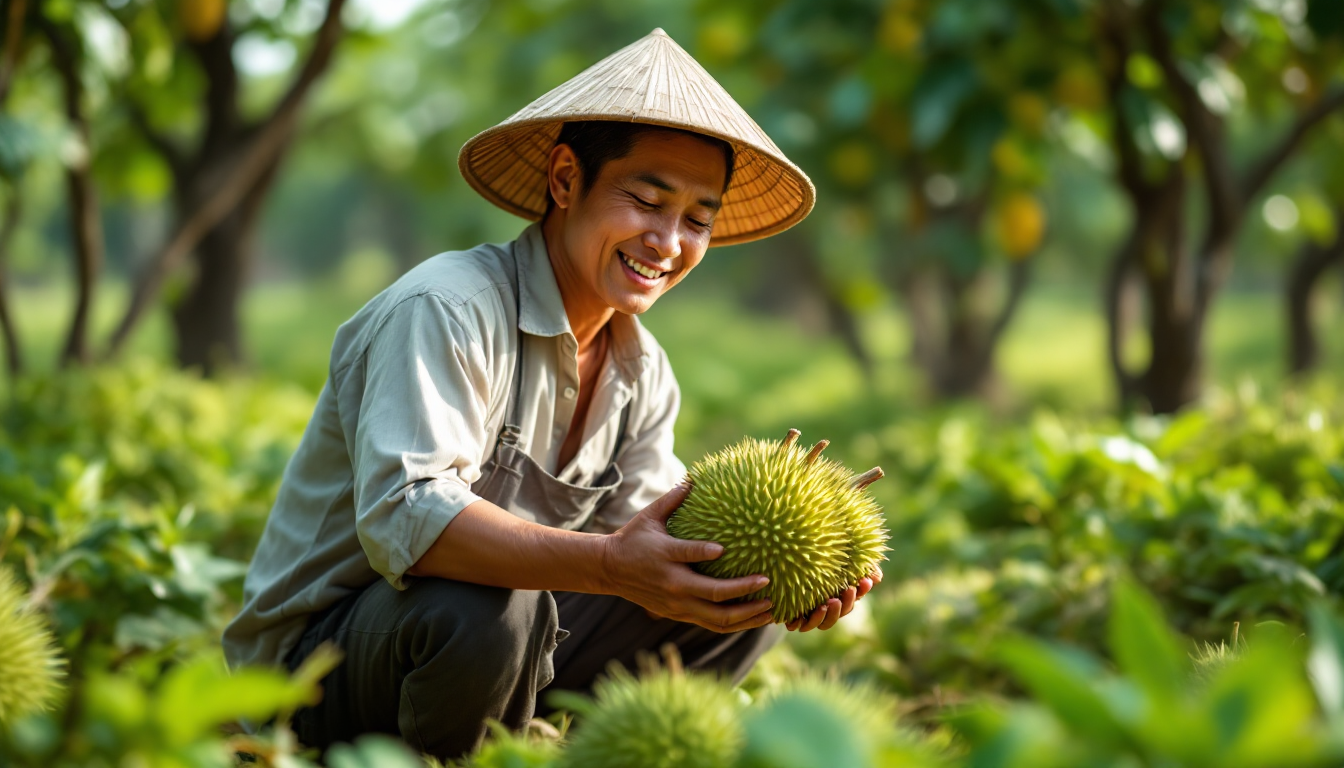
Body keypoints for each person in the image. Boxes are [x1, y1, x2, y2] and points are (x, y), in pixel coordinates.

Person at [223, 28, 881, 760]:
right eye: (647, 200)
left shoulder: (641, 369)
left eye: (698, 219)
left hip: (519, 644)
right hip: (321, 669)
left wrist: (789, 572)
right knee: (487, 599)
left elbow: (652, 540)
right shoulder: (445, 308)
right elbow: (406, 519)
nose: (668, 241)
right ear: (566, 181)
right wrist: (605, 565)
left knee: (727, 603)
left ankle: (560, 747)